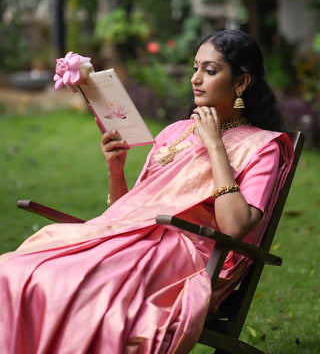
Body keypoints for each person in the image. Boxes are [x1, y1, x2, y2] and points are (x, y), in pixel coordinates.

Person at [0, 29, 293, 354]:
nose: (196, 79)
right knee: (16, 270)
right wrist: (116, 169)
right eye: (195, 68)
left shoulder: (262, 147)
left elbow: (235, 226)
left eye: (210, 71)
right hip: (134, 239)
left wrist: (215, 145)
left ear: (241, 83)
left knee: (86, 289)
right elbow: (135, 210)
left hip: (190, 255)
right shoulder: (174, 132)